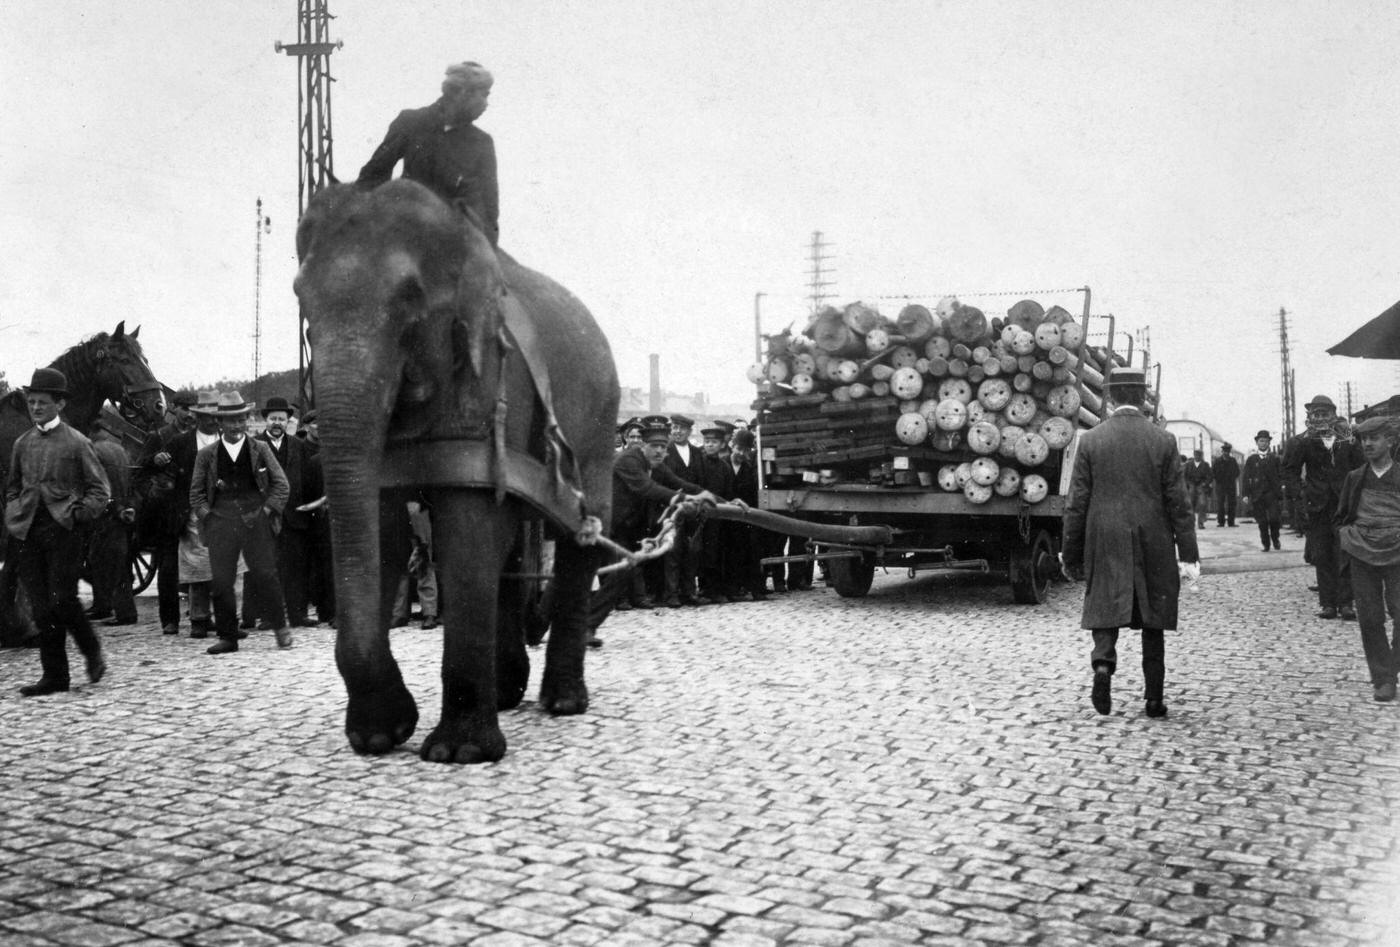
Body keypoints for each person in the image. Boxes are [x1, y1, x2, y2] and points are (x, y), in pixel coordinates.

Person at [1061, 367, 1199, 719]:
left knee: (1106, 605)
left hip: (1104, 536)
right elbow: (1179, 504)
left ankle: (1103, 668)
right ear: (1142, 398)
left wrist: (1072, 553)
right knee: (1154, 617)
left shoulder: (1091, 440)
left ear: (1111, 397)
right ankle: (1154, 698)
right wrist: (1188, 555)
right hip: (1153, 537)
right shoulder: (1163, 441)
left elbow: (1077, 502)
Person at [4, 368, 111, 696]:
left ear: (60, 404)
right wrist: (13, 512)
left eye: (43, 402)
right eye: (32, 402)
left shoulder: (77, 442)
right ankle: (55, 677)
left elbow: (100, 490)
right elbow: (13, 487)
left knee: (63, 600)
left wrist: (79, 513)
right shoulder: (23, 443)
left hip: (64, 530)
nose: (35, 407)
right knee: (40, 606)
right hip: (28, 532)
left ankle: (91, 650)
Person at [586, 415, 722, 645]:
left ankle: (579, 626)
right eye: (654, 446)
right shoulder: (628, 460)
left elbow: (682, 484)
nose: (659, 452)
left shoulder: (653, 464)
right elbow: (649, 489)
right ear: (643, 446)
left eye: (663, 447)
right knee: (577, 574)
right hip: (597, 524)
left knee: (613, 574)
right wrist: (688, 498)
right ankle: (551, 625)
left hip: (618, 529)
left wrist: (723, 501)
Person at [189, 392, 291, 654]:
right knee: (222, 583)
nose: (236, 426)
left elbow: (281, 485)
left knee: (266, 575)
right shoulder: (207, 455)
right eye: (230, 421)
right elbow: (196, 493)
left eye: (240, 420)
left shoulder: (261, 449)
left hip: (255, 523)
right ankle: (228, 637)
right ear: (220, 423)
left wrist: (267, 512)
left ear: (247, 420)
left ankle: (281, 628)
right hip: (221, 525)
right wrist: (208, 518)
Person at [357, 61, 499, 245]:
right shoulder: (411, 123)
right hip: (404, 235)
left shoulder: (481, 143)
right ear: (462, 93)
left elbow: (489, 211)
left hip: (454, 244)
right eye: (483, 95)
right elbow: (372, 176)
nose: (486, 104)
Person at [1336, 415, 1400, 702]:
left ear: (1391, 440)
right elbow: (1341, 517)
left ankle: (1393, 667)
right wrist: (1349, 538)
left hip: (1398, 552)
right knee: (1370, 617)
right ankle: (1383, 678)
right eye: (1364, 439)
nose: (1368, 443)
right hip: (1362, 552)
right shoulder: (1355, 478)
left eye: (1375, 438)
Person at [1283, 395, 1364, 620]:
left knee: (1345, 551)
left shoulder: (1347, 440)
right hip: (1316, 505)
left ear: (1334, 415)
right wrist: (1299, 498)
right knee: (1322, 553)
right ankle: (1328, 603)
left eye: (1324, 414)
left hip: (1344, 505)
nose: (1320, 418)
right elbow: (1289, 471)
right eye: (1316, 414)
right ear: (1309, 417)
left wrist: (1356, 497)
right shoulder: (1302, 442)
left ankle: (1346, 603)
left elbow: (1360, 468)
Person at [257, 396, 319, 627]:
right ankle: (267, 616)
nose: (277, 423)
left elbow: (308, 480)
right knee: (266, 567)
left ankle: (297, 614)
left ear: (288, 422)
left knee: (296, 567)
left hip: (295, 517)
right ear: (265, 420)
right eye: (273, 419)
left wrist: (310, 507)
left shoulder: (298, 446)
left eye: (281, 419)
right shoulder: (254, 445)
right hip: (265, 516)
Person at [84, 421, 139, 626]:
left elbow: (99, 485)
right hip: (124, 512)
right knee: (116, 562)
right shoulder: (120, 451)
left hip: (106, 514)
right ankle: (104, 606)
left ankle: (124, 613)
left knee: (104, 562)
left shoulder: (94, 451)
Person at [662, 414, 705, 607]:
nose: (677, 431)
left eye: (681, 428)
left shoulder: (697, 453)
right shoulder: (666, 452)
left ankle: (689, 592)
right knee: (673, 550)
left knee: (692, 551)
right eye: (675, 428)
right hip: (673, 508)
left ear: (689, 431)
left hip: (693, 509)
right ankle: (671, 594)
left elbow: (701, 481)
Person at [1243, 429, 1284, 552]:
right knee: (1262, 522)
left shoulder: (1274, 459)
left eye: (1266, 441)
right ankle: (1266, 544)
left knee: (1274, 519)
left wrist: (1281, 486)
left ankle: (1275, 538)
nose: (1263, 443)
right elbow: (1246, 478)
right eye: (1261, 441)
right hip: (1257, 494)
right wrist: (1245, 494)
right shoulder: (1251, 460)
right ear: (1257, 442)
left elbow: (1281, 474)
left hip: (1272, 493)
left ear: (1269, 443)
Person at [1183, 449, 1213, 529]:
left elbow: (1210, 476)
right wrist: (1188, 484)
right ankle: (1190, 522)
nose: (1197, 456)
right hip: (1191, 485)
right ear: (1194, 455)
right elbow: (1184, 476)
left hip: (1201, 485)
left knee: (1202, 503)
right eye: (1196, 455)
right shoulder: (1188, 465)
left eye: (1199, 455)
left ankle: (1201, 522)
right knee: (1190, 504)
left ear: (1201, 456)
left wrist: (1205, 483)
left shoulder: (1205, 465)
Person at [1213, 443, 1240, 527]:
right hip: (1220, 485)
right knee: (1220, 503)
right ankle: (1221, 522)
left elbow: (1237, 472)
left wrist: (1231, 478)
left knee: (1232, 503)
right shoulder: (1217, 461)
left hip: (1231, 485)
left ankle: (1231, 522)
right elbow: (1213, 472)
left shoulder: (1233, 460)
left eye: (1228, 451)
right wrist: (1219, 479)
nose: (1226, 453)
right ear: (1222, 451)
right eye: (1225, 451)